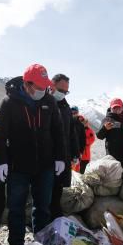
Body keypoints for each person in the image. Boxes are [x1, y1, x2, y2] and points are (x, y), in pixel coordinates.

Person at [0, 64, 64, 245]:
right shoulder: (9, 103)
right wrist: (1, 162)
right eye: (39, 86)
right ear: (27, 84)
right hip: (18, 167)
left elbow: (58, 131)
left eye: (45, 86)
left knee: (42, 208)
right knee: (16, 208)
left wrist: (60, 157)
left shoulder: (50, 101)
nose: (43, 90)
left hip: (45, 165)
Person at [49, 73, 79, 220]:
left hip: (64, 157)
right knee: (48, 191)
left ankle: (57, 217)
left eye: (66, 92)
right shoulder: (45, 103)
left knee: (60, 189)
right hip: (48, 158)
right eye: (61, 90)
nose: (63, 94)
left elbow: (71, 132)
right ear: (52, 86)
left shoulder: (65, 106)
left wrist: (75, 153)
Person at [96, 98, 123, 169]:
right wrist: (104, 128)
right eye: (114, 108)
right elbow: (99, 136)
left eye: (118, 107)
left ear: (122, 107)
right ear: (110, 108)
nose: (116, 110)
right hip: (114, 156)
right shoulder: (107, 120)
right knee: (116, 177)